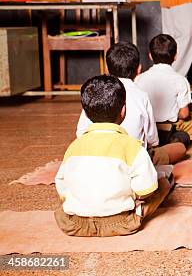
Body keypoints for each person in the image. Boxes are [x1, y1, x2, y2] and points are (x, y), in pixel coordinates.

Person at [54, 75, 172, 237]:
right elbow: (145, 190)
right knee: (163, 184)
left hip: (75, 225)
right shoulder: (132, 146)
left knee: (61, 210)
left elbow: (62, 187)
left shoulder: (74, 147)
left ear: (86, 114)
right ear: (123, 110)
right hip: (121, 222)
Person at [76, 42, 186, 165]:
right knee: (179, 147)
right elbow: (152, 139)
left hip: (96, 157)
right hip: (132, 160)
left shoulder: (96, 92)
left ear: (107, 69)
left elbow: (80, 133)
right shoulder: (141, 96)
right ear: (139, 69)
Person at [136, 34, 192, 136]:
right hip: (171, 126)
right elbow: (184, 115)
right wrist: (174, 113)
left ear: (150, 56)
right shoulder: (180, 80)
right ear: (175, 56)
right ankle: (177, 135)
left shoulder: (139, 79)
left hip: (148, 125)